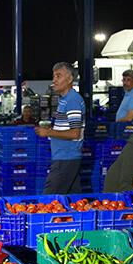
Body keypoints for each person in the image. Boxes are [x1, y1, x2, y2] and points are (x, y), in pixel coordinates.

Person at [35, 62, 85, 194]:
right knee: (75, 201)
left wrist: (48, 132)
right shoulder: (64, 100)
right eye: (54, 76)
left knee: (48, 201)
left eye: (58, 76)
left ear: (69, 79)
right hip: (65, 157)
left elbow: (75, 133)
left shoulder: (72, 100)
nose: (54, 80)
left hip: (66, 158)